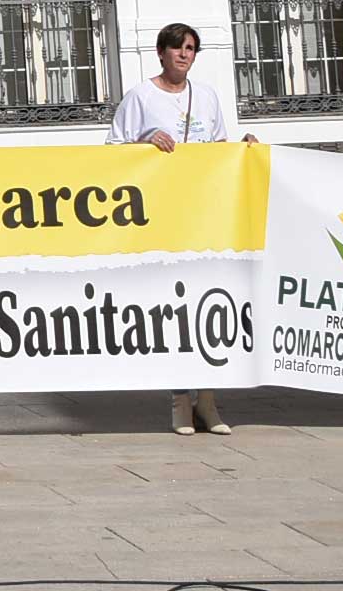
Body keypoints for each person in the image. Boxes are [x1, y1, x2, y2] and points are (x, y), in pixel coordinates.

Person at [107, 22, 257, 436]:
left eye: (191, 48)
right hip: (163, 212)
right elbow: (112, 151)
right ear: (161, 53)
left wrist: (244, 147)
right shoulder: (140, 96)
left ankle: (208, 402)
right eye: (177, 48)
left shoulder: (205, 95)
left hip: (205, 211)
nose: (184, 55)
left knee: (211, 301)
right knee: (174, 305)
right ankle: (178, 403)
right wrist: (146, 140)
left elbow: (220, 147)